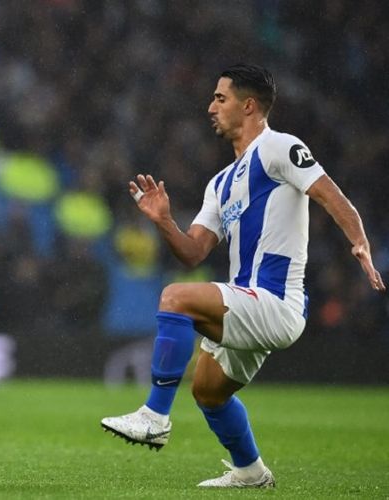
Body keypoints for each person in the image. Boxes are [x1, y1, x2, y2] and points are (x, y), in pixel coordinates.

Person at [100, 63, 385, 488]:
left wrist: (359, 241)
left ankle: (155, 416)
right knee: (208, 392)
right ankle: (251, 472)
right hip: (247, 299)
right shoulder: (219, 184)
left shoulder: (279, 148)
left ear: (248, 105)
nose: (210, 107)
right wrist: (162, 221)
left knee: (175, 298)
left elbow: (331, 195)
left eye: (220, 98)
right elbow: (193, 251)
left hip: (276, 301)